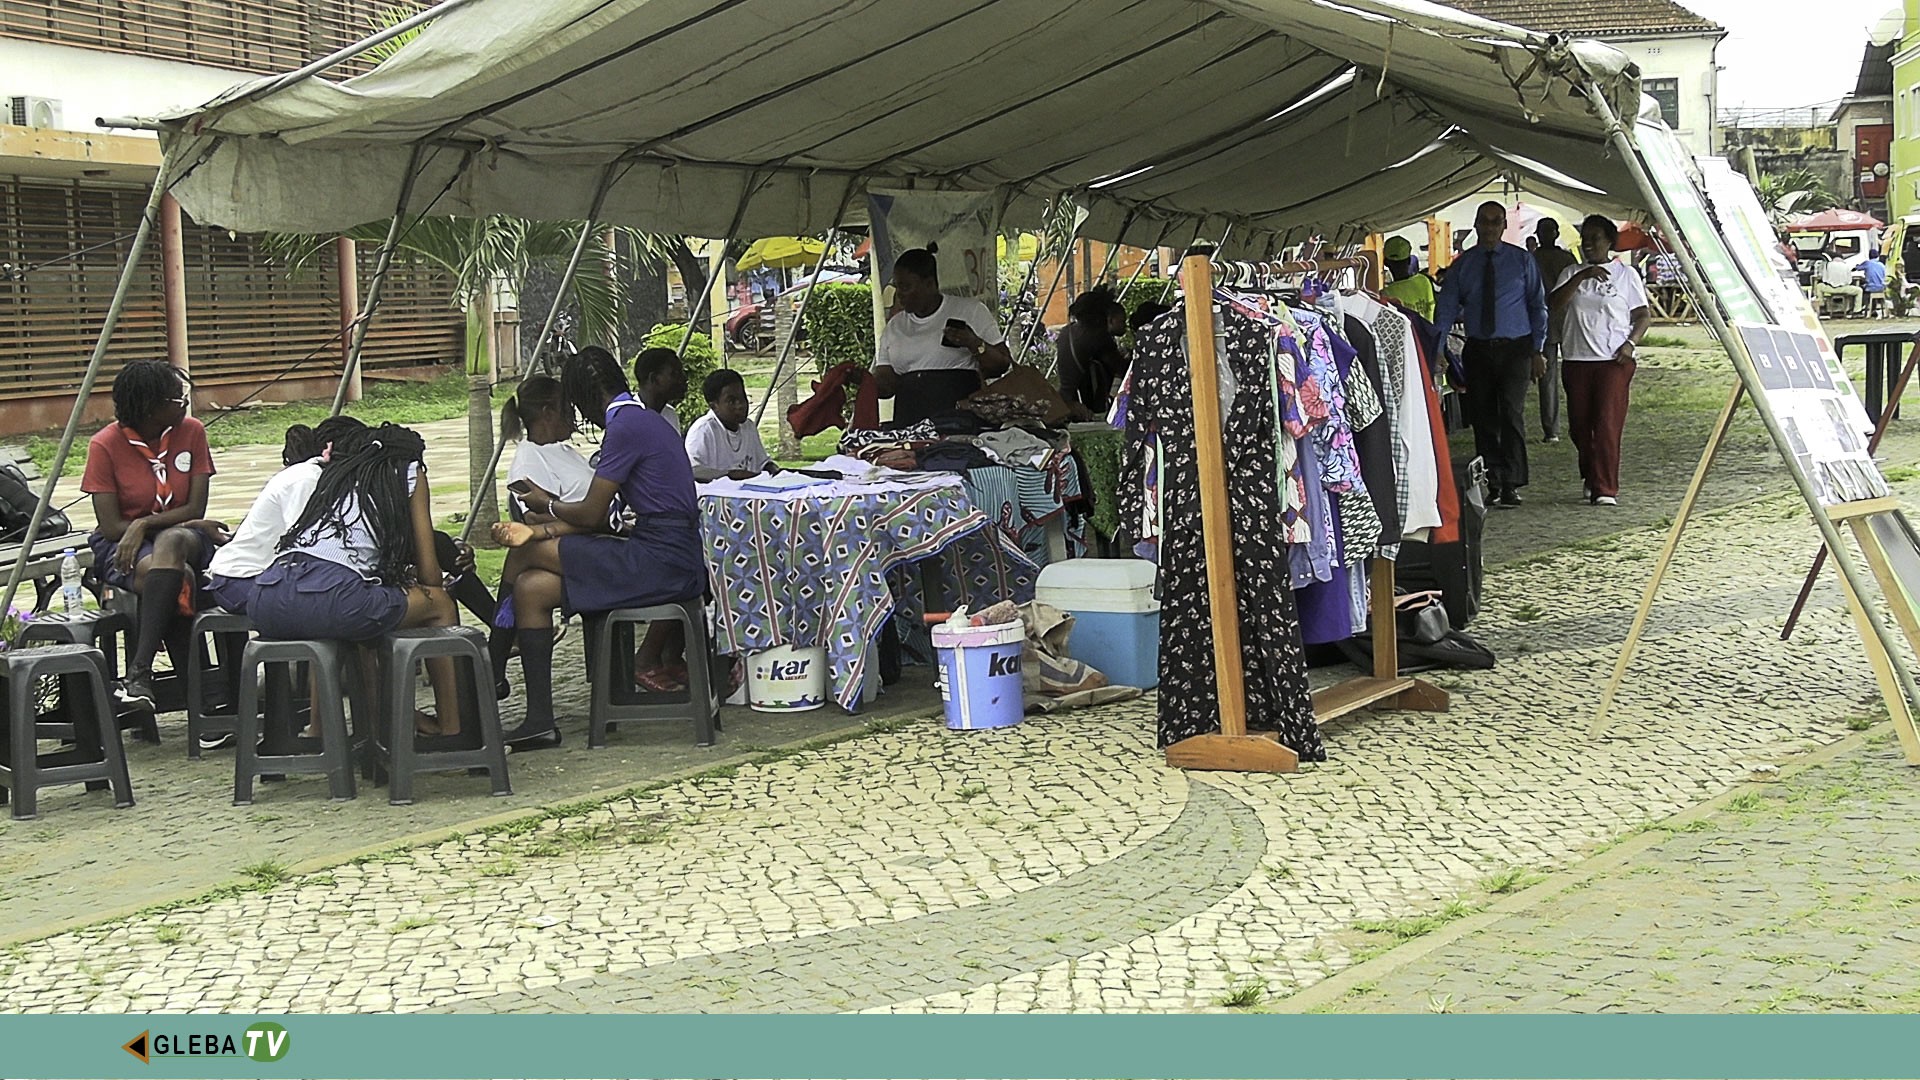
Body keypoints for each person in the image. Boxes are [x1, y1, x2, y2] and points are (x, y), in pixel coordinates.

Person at [490, 348, 706, 751]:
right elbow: (609, 516)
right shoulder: (643, 420)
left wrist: (544, 509)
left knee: (521, 555)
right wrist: (544, 529)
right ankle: (539, 721)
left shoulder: (623, 428)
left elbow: (591, 514)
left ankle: (493, 663)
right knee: (532, 588)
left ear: (584, 397)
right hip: (668, 553)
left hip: (661, 560)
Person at [248, 423, 465, 736]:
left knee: (349, 623)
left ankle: (336, 730)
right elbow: (431, 574)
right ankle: (451, 730)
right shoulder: (409, 472)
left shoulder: (335, 475)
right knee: (439, 603)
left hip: (268, 595)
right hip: (333, 598)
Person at [81, 360, 226, 714]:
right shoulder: (105, 446)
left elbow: (195, 507)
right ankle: (203, 710)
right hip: (121, 545)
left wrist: (143, 524)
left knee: (172, 544)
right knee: (179, 578)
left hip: (186, 534)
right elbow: (111, 525)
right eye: (177, 399)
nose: (185, 403)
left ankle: (139, 673)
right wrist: (135, 529)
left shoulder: (192, 432)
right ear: (150, 406)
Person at [1432, 201, 1549, 509]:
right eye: (1484, 221)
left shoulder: (1522, 262)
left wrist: (1538, 349)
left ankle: (1512, 481)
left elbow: (1538, 306)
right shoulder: (1464, 265)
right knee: (1483, 417)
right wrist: (1439, 348)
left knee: (1511, 412)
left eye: (1496, 221)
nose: (1490, 227)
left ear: (1503, 226)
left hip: (1516, 348)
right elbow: (1446, 308)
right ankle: (1492, 482)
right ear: (1476, 225)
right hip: (1479, 348)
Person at [1549, 215, 1649, 508]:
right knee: (1580, 426)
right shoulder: (1570, 272)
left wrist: (1630, 344)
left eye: (1596, 238)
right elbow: (1553, 304)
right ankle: (1591, 475)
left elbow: (1642, 316)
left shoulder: (1626, 275)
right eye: (1586, 238)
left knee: (1607, 423)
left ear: (1609, 241)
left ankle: (1606, 487)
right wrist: (1583, 276)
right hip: (1577, 359)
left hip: (1612, 361)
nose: (1590, 243)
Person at [872, 246, 1012, 425]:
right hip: (909, 423)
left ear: (929, 284)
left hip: (958, 423)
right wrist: (864, 382)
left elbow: (1002, 364)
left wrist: (973, 343)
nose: (899, 294)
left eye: (906, 287)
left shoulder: (970, 311)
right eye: (897, 286)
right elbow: (887, 385)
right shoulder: (895, 326)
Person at [1531, 219, 1579, 444]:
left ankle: (1552, 430)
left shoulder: (1533, 258)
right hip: (1563, 321)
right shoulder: (1566, 259)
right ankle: (1567, 426)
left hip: (1548, 323)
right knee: (1568, 375)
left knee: (1548, 380)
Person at [685, 369, 774, 480]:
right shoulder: (703, 430)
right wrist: (729, 475)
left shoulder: (748, 426)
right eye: (732, 401)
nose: (741, 405)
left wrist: (777, 472)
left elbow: (763, 463)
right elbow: (692, 470)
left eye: (742, 397)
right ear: (714, 406)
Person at [1055, 287, 1125, 417]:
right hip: (1086, 404)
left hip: (1065, 398)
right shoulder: (1097, 336)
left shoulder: (1067, 331)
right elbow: (1119, 367)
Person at [630, 345, 687, 433]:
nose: (683, 379)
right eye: (674, 374)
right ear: (654, 379)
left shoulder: (670, 415)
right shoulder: (628, 418)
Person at [1379, 236, 1436, 322]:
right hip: (1428, 334)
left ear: (1385, 263)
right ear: (1409, 260)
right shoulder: (1424, 281)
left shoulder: (1386, 294)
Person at [1816, 245, 1864, 316]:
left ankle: (1822, 306)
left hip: (1831, 289)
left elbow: (1824, 279)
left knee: (1819, 286)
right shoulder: (1846, 266)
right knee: (1859, 290)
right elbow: (1849, 281)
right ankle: (1857, 311)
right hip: (1843, 289)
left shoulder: (1828, 265)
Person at [1863, 249, 1889, 313]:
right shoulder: (1882, 265)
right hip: (1881, 287)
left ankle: (1864, 309)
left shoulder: (1867, 263)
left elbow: (1858, 268)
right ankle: (1874, 309)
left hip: (1871, 287)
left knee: (1863, 290)